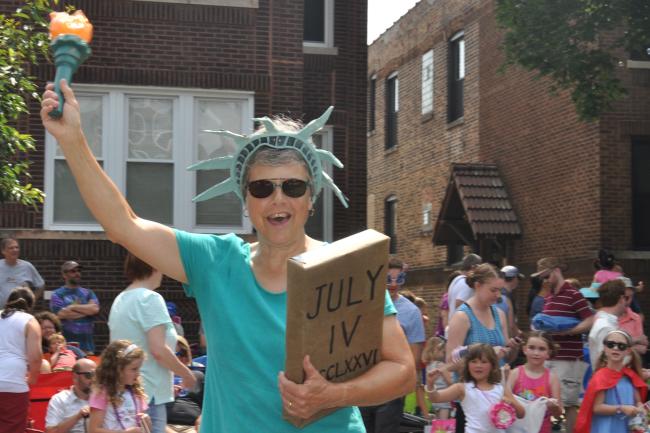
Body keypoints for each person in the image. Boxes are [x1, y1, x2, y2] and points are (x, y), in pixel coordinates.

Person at [41, 80, 414, 432]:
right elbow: (124, 225)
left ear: (311, 198)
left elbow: (401, 369)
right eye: (262, 187)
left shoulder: (344, 267)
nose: (278, 199)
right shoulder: (216, 261)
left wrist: (334, 395)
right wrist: (72, 139)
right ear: (245, 200)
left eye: (294, 186)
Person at [109, 253, 196, 433]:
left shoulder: (120, 299)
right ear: (154, 266)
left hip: (127, 392)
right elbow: (158, 350)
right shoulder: (150, 299)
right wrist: (187, 374)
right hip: (148, 394)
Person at [360, 258, 425, 432]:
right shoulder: (363, 305)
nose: (394, 284)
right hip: (363, 383)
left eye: (399, 278)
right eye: (388, 279)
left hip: (391, 388)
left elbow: (414, 358)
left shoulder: (411, 312)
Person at [532, 257, 594, 433]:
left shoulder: (574, 294)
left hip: (569, 358)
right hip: (551, 357)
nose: (544, 280)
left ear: (556, 270)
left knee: (568, 404)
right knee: (547, 401)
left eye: (546, 276)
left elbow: (590, 319)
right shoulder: (549, 296)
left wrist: (569, 331)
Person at [426, 344, 525, 433]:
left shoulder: (500, 388)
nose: (478, 366)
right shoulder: (462, 388)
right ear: (468, 365)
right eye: (474, 361)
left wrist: (510, 403)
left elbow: (521, 413)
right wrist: (430, 384)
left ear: (492, 366)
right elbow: (435, 398)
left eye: (484, 362)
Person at [574, 330, 647, 433]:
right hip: (606, 427)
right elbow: (597, 407)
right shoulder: (600, 376)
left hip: (625, 425)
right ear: (604, 348)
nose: (615, 348)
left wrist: (640, 407)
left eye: (621, 346)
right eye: (611, 344)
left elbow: (638, 401)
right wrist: (621, 409)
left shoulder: (630, 375)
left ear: (628, 350)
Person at [0, 286, 42, 433]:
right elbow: (36, 358)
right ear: (30, 305)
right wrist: (31, 379)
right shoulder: (30, 321)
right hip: (13, 383)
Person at [88, 340, 152, 433]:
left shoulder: (136, 393)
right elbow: (93, 430)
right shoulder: (102, 393)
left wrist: (146, 422)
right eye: (134, 369)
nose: (138, 373)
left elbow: (142, 427)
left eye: (139, 368)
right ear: (117, 369)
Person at [506, 331, 562, 433]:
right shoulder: (515, 373)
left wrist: (553, 407)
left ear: (548, 353)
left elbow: (558, 414)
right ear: (524, 349)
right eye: (531, 347)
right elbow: (505, 398)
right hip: (516, 428)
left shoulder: (552, 378)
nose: (536, 353)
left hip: (541, 429)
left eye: (541, 349)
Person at [50, 261, 100, 354]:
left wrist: (72, 307)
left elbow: (94, 309)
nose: (77, 274)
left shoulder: (88, 293)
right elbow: (61, 314)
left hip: (87, 347)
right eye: (73, 271)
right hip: (66, 348)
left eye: (78, 271)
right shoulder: (57, 294)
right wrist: (85, 311)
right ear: (64, 275)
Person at [45, 358, 97, 433]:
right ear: (75, 377)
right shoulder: (59, 399)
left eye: (96, 375)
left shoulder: (102, 399)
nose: (93, 379)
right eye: (89, 375)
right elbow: (51, 431)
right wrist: (78, 416)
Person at [166, 336, 204, 433]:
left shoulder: (198, 376)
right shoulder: (162, 377)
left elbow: (208, 404)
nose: (183, 357)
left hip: (193, 426)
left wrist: (202, 419)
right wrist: (168, 395)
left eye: (185, 352)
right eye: (179, 354)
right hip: (166, 425)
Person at [587, 279, 628, 369]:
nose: (627, 302)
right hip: (608, 381)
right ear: (621, 299)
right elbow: (609, 362)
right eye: (626, 298)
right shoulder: (606, 327)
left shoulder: (605, 323)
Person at [0, 237, 45, 308]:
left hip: (21, 312)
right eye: (11, 248)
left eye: (16, 247)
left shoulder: (27, 266)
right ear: (3, 251)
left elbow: (40, 285)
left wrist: (31, 301)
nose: (15, 250)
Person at [422, 336, 452, 420]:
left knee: (439, 424)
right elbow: (450, 381)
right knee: (443, 424)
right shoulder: (441, 365)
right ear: (437, 351)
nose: (444, 354)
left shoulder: (429, 366)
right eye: (443, 352)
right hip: (444, 398)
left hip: (434, 399)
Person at [617, 277, 648, 355]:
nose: (628, 301)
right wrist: (635, 341)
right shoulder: (608, 318)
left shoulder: (635, 317)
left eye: (631, 297)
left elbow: (642, 348)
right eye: (625, 297)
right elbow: (608, 348)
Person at [447, 254, 482, 321]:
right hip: (462, 326)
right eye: (479, 268)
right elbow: (459, 303)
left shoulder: (456, 281)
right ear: (473, 267)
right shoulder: (467, 284)